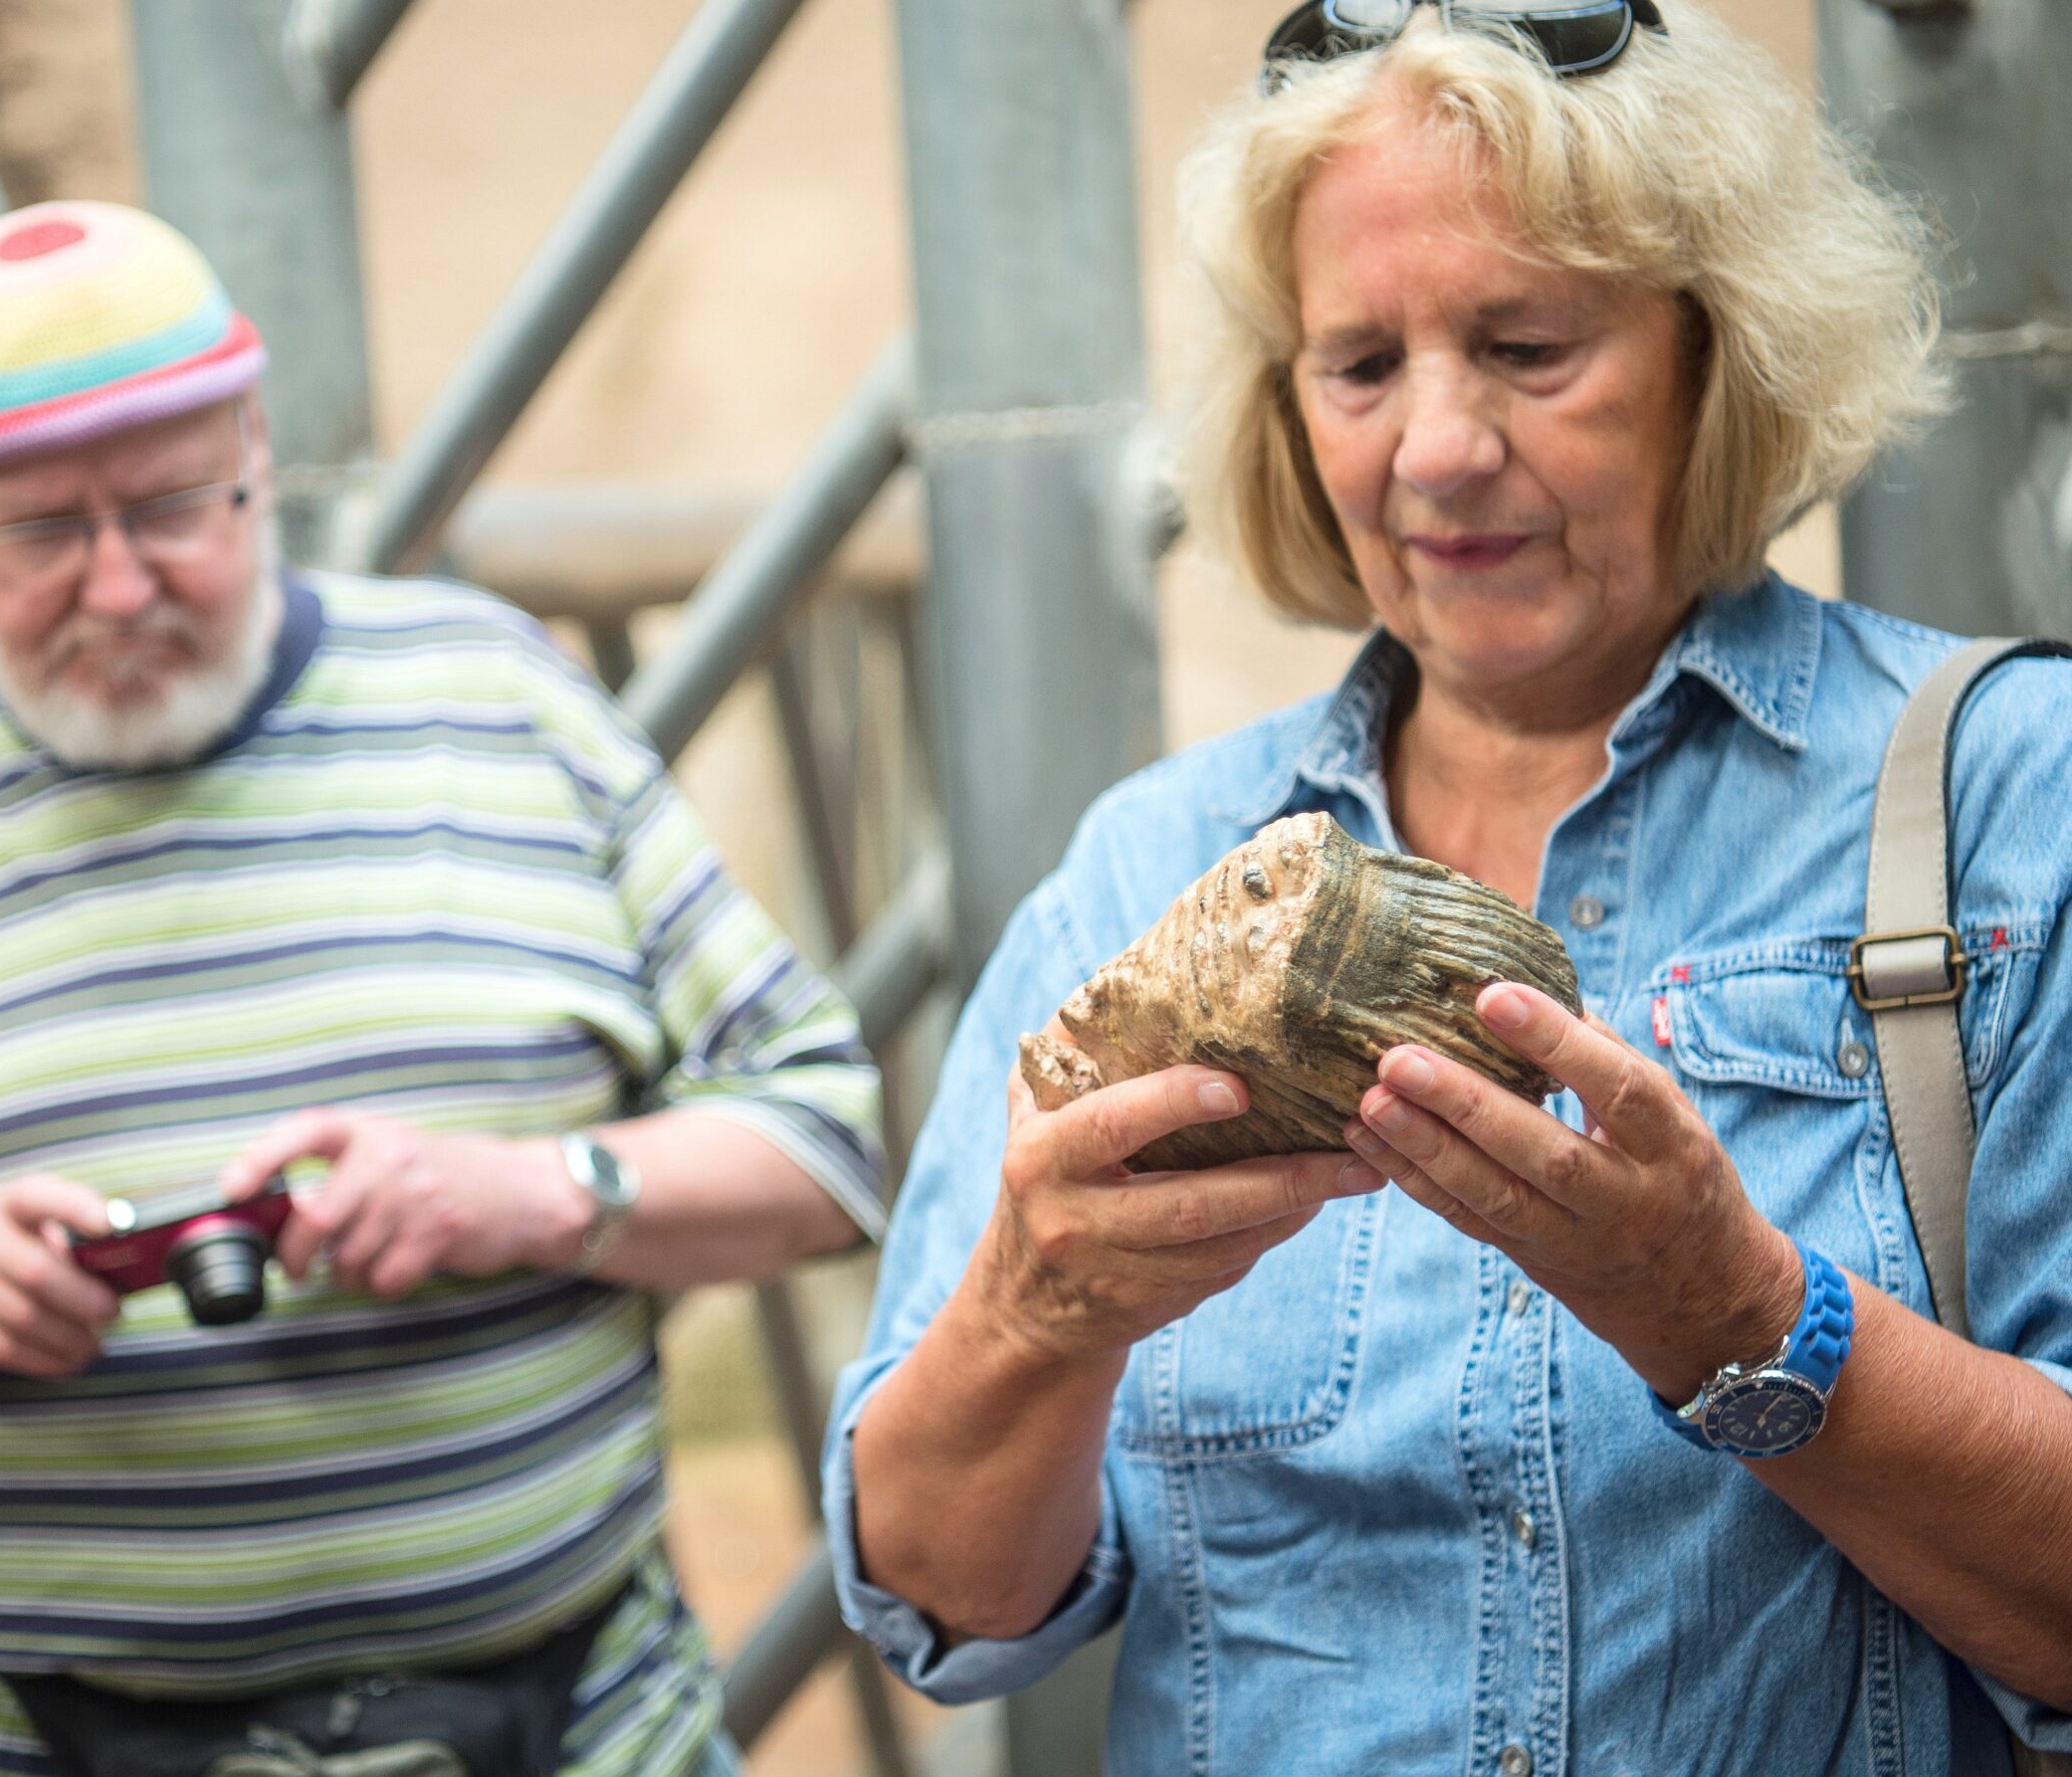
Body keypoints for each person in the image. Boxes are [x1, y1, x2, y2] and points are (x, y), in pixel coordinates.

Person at [828, 4, 2072, 1773]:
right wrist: (1034, 1311)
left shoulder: (2007, 802)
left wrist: (1744, 1321)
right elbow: (947, 1604)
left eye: (1527, 344)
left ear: (1721, 353)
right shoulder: (1146, 869)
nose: (1435, 448)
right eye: (1357, 366)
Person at [0, 199, 883, 1777]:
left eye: (169, 508)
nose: (122, 585)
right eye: (43, 537)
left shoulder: (500, 701)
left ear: (257, 452)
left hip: (575, 1725)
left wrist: (539, 1191)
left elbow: (828, 1141)